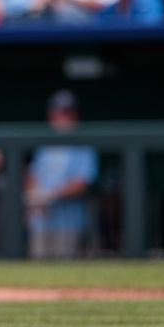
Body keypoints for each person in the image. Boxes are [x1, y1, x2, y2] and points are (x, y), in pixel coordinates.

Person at [26, 90, 99, 259]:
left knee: (64, 267)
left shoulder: (83, 146)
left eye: (66, 113)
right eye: (57, 113)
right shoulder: (44, 147)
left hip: (69, 222)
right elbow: (33, 175)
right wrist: (35, 197)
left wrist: (51, 195)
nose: (60, 118)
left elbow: (83, 182)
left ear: (74, 116)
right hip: (41, 221)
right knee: (37, 268)